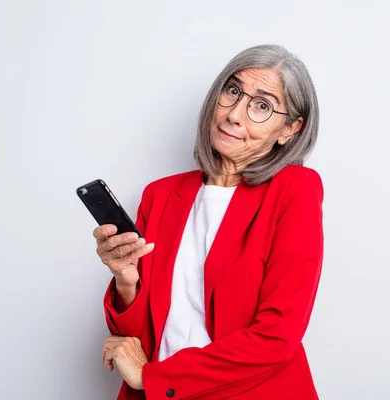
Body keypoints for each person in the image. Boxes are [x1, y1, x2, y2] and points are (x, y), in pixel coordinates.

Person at [95, 44, 324, 399]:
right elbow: (143, 341)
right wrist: (127, 284)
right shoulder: (160, 195)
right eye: (232, 91)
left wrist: (153, 378)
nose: (235, 114)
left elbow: (277, 337)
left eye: (262, 106)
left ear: (289, 129)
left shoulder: (295, 190)